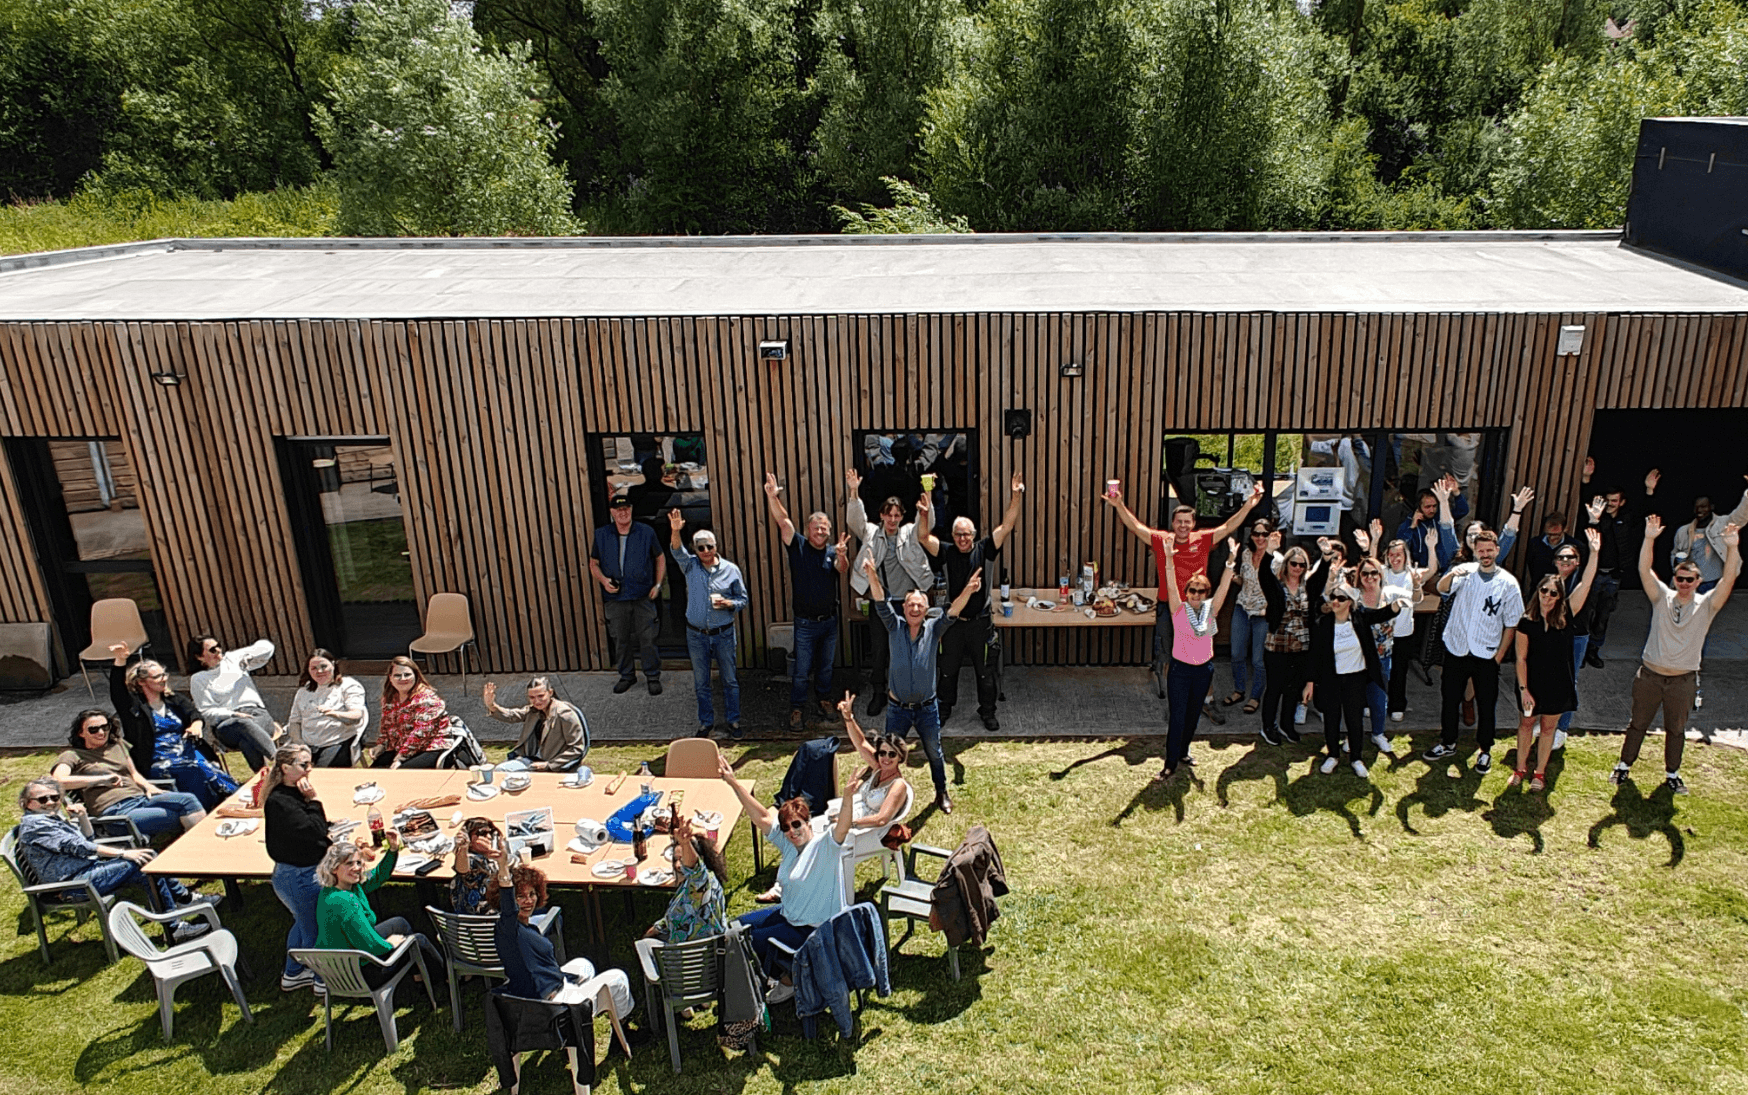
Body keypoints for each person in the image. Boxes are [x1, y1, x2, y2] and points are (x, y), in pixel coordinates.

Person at [1102, 481, 1264, 725]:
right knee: (1171, 659)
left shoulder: (1203, 539)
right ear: (1173, 523)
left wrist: (1249, 504)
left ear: (1193, 524)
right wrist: (1119, 504)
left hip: (1200, 608)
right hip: (1170, 608)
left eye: (1187, 521)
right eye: (1179, 521)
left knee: (1204, 659)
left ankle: (1207, 703)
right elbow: (1136, 527)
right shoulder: (1163, 540)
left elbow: (1230, 525)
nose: (1183, 526)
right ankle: (1176, 704)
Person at [1609, 516, 1740, 795]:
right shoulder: (1661, 597)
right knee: (1637, 725)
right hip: (1650, 676)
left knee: (1676, 730)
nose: (1683, 583)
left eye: (1689, 579)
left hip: (1683, 680)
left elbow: (1729, 578)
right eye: (1679, 578)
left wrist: (1732, 547)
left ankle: (1673, 774)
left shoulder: (1707, 605)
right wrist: (1649, 538)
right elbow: (1644, 569)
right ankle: (1623, 766)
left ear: (1697, 581)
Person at [717, 752, 856, 1002]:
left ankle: (779, 981)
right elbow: (760, 816)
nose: (791, 832)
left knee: (743, 943)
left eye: (797, 825)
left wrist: (848, 798)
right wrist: (732, 781)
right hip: (788, 914)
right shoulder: (790, 844)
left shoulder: (826, 846)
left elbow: (844, 825)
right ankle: (771, 974)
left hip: (811, 931)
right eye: (787, 827)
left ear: (808, 822)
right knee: (734, 928)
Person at [864, 554, 983, 814]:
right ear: (904, 608)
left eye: (919, 605)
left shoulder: (934, 628)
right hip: (897, 709)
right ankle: (882, 794)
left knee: (934, 753)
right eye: (910, 605)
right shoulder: (894, 627)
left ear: (926, 608)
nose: (915, 609)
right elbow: (880, 600)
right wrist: (872, 574)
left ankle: (941, 792)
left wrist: (968, 590)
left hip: (927, 709)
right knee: (887, 755)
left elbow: (953, 610)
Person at [15, 777, 205, 937]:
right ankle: (182, 905)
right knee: (145, 859)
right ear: (27, 803)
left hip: (86, 872)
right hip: (75, 885)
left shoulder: (49, 818)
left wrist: (82, 817)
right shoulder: (37, 825)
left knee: (146, 863)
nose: (50, 802)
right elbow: (80, 846)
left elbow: (87, 838)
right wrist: (124, 853)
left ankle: (175, 920)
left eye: (54, 797)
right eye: (42, 799)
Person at [919, 471, 1026, 731]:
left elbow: (1007, 525)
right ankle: (944, 709)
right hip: (953, 624)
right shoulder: (945, 553)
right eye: (958, 535)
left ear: (974, 534)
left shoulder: (985, 549)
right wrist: (925, 512)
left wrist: (1015, 497)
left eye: (967, 534)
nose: (962, 539)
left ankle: (987, 711)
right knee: (947, 671)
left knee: (986, 672)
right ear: (953, 536)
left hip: (981, 624)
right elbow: (923, 537)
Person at [490, 851, 637, 1019]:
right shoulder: (509, 929)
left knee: (584, 965)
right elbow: (508, 908)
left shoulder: (523, 928)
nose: (528, 901)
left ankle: (586, 1021)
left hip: (549, 989)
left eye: (532, 894)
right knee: (618, 978)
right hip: (555, 1006)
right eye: (520, 897)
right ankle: (623, 1029)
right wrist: (503, 867)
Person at [1422, 529, 1523, 773]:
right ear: (1475, 552)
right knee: (1449, 699)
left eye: (1490, 550)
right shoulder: (1466, 573)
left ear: (1497, 551)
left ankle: (1485, 750)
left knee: (1486, 704)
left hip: (1486, 654)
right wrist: (1452, 572)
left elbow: (1512, 624)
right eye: (1481, 551)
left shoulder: (1508, 583)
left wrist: (1498, 656)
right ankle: (1448, 742)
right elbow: (1442, 588)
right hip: (1457, 650)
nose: (1485, 555)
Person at [1510, 537, 1601, 792]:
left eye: (1553, 593)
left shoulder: (1567, 615)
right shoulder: (1526, 621)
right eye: (1544, 591)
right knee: (1526, 725)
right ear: (1537, 591)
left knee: (1548, 729)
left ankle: (1539, 773)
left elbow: (1586, 582)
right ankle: (1520, 769)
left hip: (1558, 684)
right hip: (1532, 684)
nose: (1548, 597)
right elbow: (1521, 659)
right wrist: (1523, 689)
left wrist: (1594, 553)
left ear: (1560, 597)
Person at [762, 472, 850, 730]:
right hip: (805, 623)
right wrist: (772, 496)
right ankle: (797, 708)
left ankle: (824, 700)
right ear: (808, 529)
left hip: (829, 621)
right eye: (816, 527)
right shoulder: (797, 545)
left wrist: (843, 555)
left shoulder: (834, 551)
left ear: (829, 531)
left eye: (825, 528)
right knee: (801, 671)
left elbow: (842, 569)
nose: (821, 531)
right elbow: (783, 520)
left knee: (825, 668)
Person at [844, 469, 935, 718]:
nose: (893, 519)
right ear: (882, 515)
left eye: (897, 515)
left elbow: (927, 525)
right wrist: (854, 491)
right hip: (881, 603)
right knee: (880, 650)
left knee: (906, 649)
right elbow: (856, 521)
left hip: (907, 605)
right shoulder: (873, 533)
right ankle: (878, 694)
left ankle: (905, 692)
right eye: (889, 514)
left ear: (902, 516)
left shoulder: (908, 533)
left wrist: (927, 498)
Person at [1311, 561, 1411, 777]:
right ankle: (1333, 755)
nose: (1336, 601)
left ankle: (1356, 758)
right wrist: (1310, 683)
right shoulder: (1323, 624)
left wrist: (1398, 605)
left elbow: (1382, 614)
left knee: (1354, 720)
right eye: (1333, 597)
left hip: (1355, 679)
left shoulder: (1360, 617)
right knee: (1331, 719)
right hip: (1332, 679)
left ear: (1350, 602)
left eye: (1341, 598)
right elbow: (1316, 656)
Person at [109, 642, 238, 809]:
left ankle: (229, 798)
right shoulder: (133, 707)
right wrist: (120, 660)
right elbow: (117, 691)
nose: (164, 679)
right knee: (195, 767)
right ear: (141, 682)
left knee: (204, 764)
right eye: (157, 677)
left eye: (164, 674)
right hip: (157, 758)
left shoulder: (173, 699)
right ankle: (214, 805)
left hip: (186, 750)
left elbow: (194, 714)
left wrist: (196, 725)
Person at [1154, 535, 1238, 779]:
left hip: (1203, 671)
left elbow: (1224, 586)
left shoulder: (1211, 611)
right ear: (1187, 591)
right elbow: (1170, 584)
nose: (1197, 594)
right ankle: (1169, 763)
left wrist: (1231, 559)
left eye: (1201, 591)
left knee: (1193, 717)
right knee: (1177, 718)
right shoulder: (1178, 610)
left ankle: (1184, 752)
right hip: (1180, 671)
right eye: (1192, 590)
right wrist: (1170, 558)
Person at [51, 709, 206, 837]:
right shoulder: (73, 755)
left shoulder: (117, 745)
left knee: (189, 800)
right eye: (93, 729)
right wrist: (101, 780)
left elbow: (134, 774)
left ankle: (200, 853)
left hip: (140, 798)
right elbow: (57, 781)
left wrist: (148, 786)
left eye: (105, 727)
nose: (101, 732)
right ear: (81, 733)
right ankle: (196, 856)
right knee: (175, 816)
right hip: (115, 811)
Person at [314, 838, 446, 986]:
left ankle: (419, 974)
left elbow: (379, 875)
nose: (357, 867)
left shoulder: (333, 890)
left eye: (358, 862)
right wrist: (389, 944)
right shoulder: (346, 902)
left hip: (341, 962)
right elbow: (368, 945)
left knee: (399, 923)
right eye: (349, 863)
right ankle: (445, 976)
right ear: (334, 868)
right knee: (418, 939)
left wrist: (393, 850)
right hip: (361, 973)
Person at [669, 508, 749, 739]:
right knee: (701, 683)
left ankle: (733, 722)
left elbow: (742, 600)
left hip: (723, 633)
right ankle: (706, 723)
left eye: (709, 547)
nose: (705, 551)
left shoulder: (731, 570)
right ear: (695, 549)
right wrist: (676, 531)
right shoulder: (690, 565)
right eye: (700, 547)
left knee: (730, 680)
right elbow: (676, 550)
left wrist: (728, 603)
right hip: (696, 634)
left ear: (716, 547)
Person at [263, 743, 331, 990]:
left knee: (302, 923)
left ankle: (293, 973)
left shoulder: (289, 795)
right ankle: (322, 981)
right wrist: (314, 801)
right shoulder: (281, 801)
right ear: (285, 767)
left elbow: (308, 829)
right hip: (299, 877)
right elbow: (314, 830)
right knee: (316, 930)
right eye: (304, 765)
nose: (309, 769)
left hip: (293, 874)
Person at [1580, 462, 1660, 667]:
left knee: (1603, 615)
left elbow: (1647, 514)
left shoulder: (1627, 519)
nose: (1611, 504)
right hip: (1595, 574)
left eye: (1615, 501)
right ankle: (1580, 652)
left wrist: (1649, 490)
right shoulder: (1597, 517)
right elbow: (1585, 504)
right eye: (1608, 501)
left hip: (1614, 575)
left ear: (1622, 502)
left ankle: (1593, 651)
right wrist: (1586, 479)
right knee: (1586, 613)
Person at [589, 492, 666, 696]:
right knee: (620, 639)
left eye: (626, 509)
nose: (623, 513)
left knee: (648, 638)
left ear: (631, 510)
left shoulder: (646, 532)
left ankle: (652, 676)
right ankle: (626, 676)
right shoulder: (601, 534)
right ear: (612, 512)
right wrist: (604, 581)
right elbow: (593, 563)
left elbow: (660, 557)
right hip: (616, 598)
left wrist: (658, 585)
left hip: (642, 595)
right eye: (619, 510)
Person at [187, 636, 279, 771]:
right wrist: (233, 714)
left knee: (246, 741)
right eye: (213, 649)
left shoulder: (233, 659)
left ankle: (264, 777)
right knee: (243, 724)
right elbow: (205, 711)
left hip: (256, 714)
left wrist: (251, 655)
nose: (218, 650)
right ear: (200, 657)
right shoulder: (198, 679)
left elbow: (268, 648)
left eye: (218, 645)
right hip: (228, 723)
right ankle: (281, 761)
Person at [1255, 538, 1314, 747]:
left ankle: (1286, 725)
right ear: (1286, 565)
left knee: (1293, 688)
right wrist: (1269, 551)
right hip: (1277, 645)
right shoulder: (1277, 587)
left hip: (1301, 647)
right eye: (1294, 563)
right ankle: (1267, 726)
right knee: (1275, 688)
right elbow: (1263, 574)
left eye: (1302, 565)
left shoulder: (1309, 587)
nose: (1297, 568)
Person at [1378, 524, 1439, 723]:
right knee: (1378, 669)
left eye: (1399, 555)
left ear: (1405, 557)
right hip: (1381, 632)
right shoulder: (1382, 573)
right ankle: (1375, 702)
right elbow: (1370, 562)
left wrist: (1431, 547)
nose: (1395, 559)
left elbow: (1432, 570)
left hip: (1403, 633)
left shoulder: (1412, 574)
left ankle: (1397, 705)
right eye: (1392, 555)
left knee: (1399, 670)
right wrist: (1374, 540)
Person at [836, 693, 914, 839]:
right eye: (882, 753)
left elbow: (881, 819)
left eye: (892, 754)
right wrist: (848, 717)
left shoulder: (898, 785)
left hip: (866, 832)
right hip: (852, 818)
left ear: (900, 758)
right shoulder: (878, 768)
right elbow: (861, 743)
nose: (886, 758)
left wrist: (848, 824)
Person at [643, 812, 729, 944]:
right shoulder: (690, 886)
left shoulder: (702, 882)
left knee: (643, 947)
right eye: (676, 859)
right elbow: (676, 914)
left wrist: (685, 843)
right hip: (704, 947)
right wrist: (656, 928)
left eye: (682, 859)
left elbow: (695, 870)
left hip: (690, 954)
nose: (678, 865)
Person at [285, 648, 370, 768]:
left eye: (323, 666)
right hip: (307, 744)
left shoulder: (348, 686)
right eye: (314, 668)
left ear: (333, 665)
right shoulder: (303, 691)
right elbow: (294, 722)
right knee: (285, 771)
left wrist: (335, 714)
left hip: (337, 742)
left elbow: (356, 716)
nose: (319, 671)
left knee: (321, 773)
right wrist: (300, 745)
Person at [482, 677, 588, 772]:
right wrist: (491, 705)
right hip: (529, 759)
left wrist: (549, 765)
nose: (536, 701)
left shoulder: (564, 714)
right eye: (532, 697)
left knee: (501, 771)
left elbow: (577, 748)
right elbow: (511, 715)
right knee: (499, 772)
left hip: (551, 764)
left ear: (550, 692)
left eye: (540, 696)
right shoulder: (533, 710)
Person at [1224, 520, 1275, 716]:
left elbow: (1280, 589)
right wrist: (1232, 578)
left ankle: (1255, 696)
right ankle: (1239, 690)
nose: (1260, 538)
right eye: (1257, 533)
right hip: (1242, 608)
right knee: (1236, 653)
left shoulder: (1275, 559)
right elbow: (1244, 581)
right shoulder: (1245, 554)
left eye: (1264, 534)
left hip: (1262, 613)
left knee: (1258, 660)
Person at [373, 656, 451, 769]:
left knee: (401, 774)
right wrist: (381, 745)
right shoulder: (389, 698)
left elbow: (421, 734)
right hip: (400, 747)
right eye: (397, 675)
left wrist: (401, 758)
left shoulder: (427, 699)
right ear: (390, 678)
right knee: (374, 772)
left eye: (407, 674)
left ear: (416, 676)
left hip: (431, 747)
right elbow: (387, 726)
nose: (403, 678)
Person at [449, 818, 504, 915]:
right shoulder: (472, 859)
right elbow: (462, 870)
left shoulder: (487, 857)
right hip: (489, 918)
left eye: (491, 833)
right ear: (469, 838)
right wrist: (463, 848)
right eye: (482, 833)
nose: (489, 837)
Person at [1527, 513, 1587, 584]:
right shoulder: (1535, 544)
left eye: (1556, 534)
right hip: (1539, 587)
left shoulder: (1577, 546)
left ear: (1565, 529)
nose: (1552, 538)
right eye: (1549, 534)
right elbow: (1531, 567)